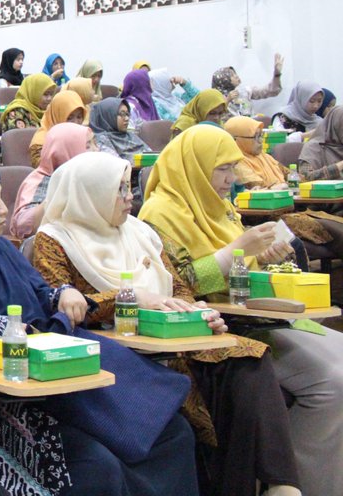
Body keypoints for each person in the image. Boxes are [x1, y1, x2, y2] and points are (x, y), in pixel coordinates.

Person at [0, 162, 197, 496]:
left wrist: (63, 295)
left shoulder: (0, 248)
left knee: (173, 432)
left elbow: (40, 293)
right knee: (96, 467)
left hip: (54, 370)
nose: (4, 209)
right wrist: (20, 333)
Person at [32, 152, 300, 496]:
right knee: (213, 388)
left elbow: (178, 287)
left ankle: (277, 484)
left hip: (172, 338)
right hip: (119, 352)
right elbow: (59, 306)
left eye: (129, 187)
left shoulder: (140, 232)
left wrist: (198, 312)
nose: (130, 197)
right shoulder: (54, 239)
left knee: (248, 358)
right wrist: (129, 297)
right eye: (118, 190)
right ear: (90, 193)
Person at [141, 125, 343, 496]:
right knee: (334, 380)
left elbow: (239, 270)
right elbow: (178, 285)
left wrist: (260, 257)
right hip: (221, 327)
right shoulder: (159, 215)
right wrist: (239, 249)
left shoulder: (219, 206)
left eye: (233, 169)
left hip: (257, 312)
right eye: (222, 169)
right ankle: (299, 484)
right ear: (195, 166)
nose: (230, 179)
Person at [228, 115, 343, 259]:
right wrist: (280, 187)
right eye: (255, 137)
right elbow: (259, 190)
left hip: (291, 210)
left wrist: (286, 185)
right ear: (237, 140)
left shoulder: (266, 158)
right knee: (332, 231)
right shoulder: (237, 163)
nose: (261, 141)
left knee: (335, 224)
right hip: (267, 218)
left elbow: (298, 179)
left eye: (261, 135)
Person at [10, 123, 92, 240]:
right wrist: (60, 195)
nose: (96, 150)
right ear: (64, 151)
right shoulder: (42, 180)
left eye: (94, 143)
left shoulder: (90, 177)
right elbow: (23, 225)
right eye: (88, 146)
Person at [210, 55, 284, 118]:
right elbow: (216, 117)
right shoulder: (216, 99)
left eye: (235, 73)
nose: (236, 76)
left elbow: (270, 91)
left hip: (251, 127)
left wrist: (276, 75)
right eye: (232, 75)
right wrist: (227, 101)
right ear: (224, 80)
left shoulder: (244, 91)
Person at [29, 89, 87, 167]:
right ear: (57, 116)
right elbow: (45, 170)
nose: (75, 122)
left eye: (79, 117)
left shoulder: (85, 136)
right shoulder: (41, 142)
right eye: (69, 118)